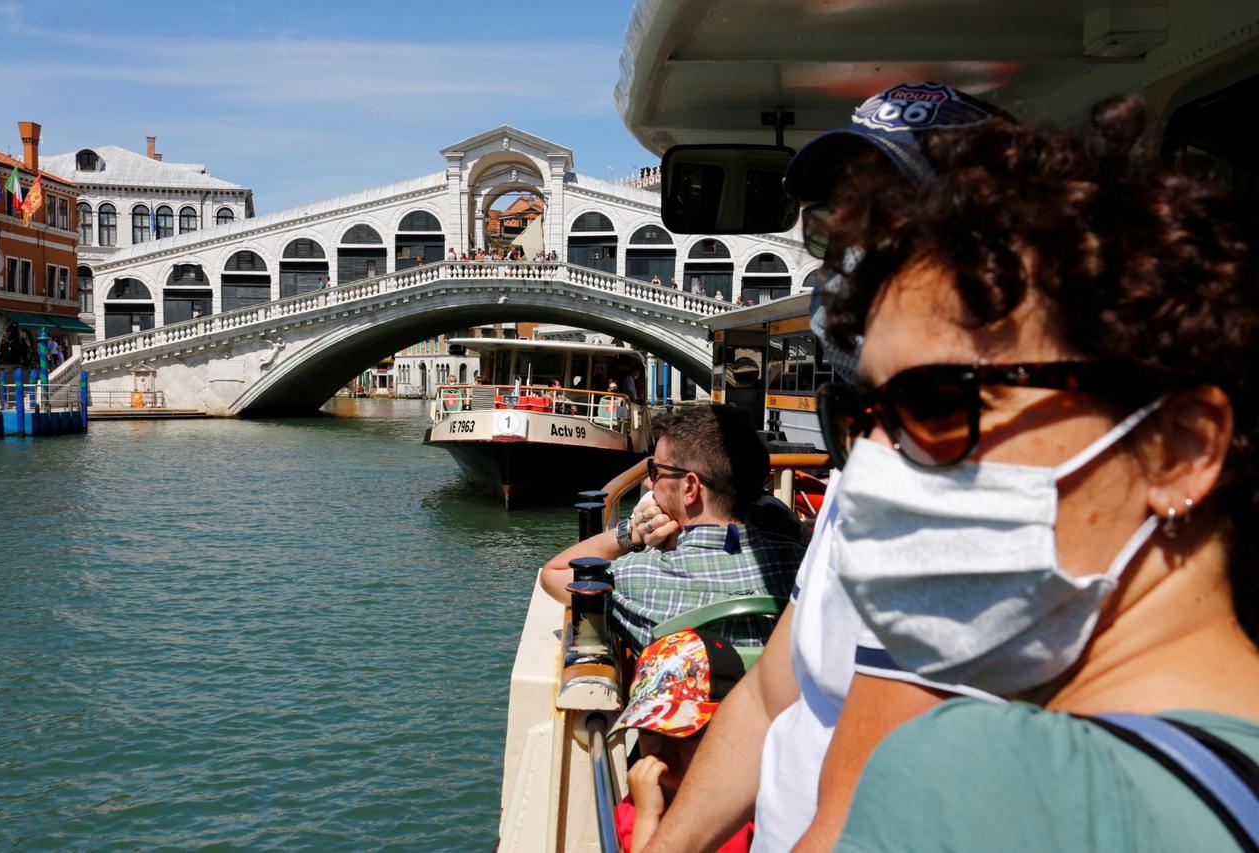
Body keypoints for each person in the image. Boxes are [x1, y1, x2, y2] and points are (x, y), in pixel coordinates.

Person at [821, 95, 1259, 851]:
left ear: (1182, 446)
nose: (876, 467)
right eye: (867, 418)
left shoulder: (975, 777)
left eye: (938, 402)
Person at [643, 83, 1015, 853]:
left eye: (891, 222)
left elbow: (868, 799)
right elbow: (776, 692)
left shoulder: (995, 493)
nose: (850, 255)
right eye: (838, 225)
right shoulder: (873, 457)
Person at [540, 404, 803, 652]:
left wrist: (631, 534)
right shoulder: (803, 565)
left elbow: (554, 573)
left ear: (690, 487)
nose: (647, 483)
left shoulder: (639, 576)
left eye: (655, 471)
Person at [612, 629, 753, 853]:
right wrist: (647, 818)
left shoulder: (748, 809)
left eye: (684, 732)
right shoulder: (639, 806)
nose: (662, 749)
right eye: (650, 731)